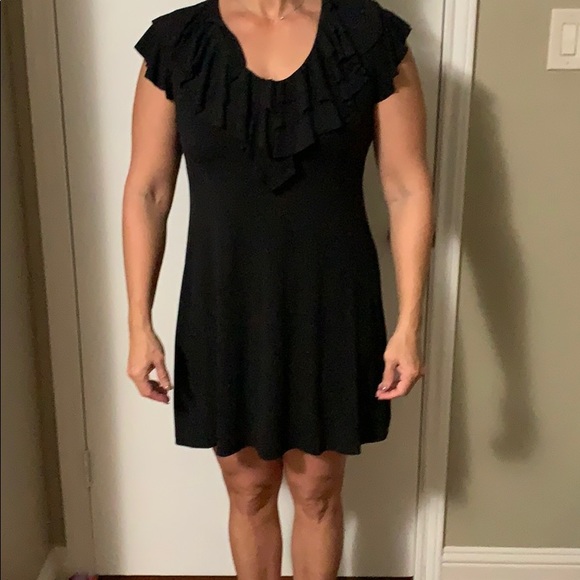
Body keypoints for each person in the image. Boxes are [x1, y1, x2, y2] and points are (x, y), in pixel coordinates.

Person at [123, 0, 432, 576]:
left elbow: (407, 187)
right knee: (248, 489)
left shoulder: (371, 36)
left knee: (318, 491)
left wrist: (410, 324)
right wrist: (139, 324)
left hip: (331, 304)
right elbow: (148, 191)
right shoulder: (177, 43)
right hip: (224, 304)